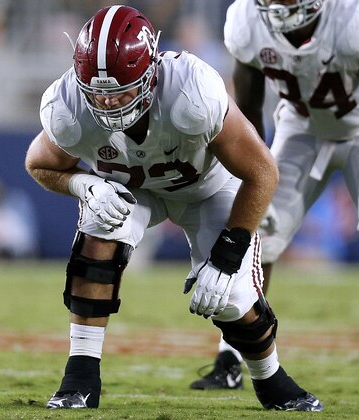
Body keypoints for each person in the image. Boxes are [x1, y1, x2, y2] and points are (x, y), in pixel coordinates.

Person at [25, 5, 322, 412]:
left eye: (123, 90)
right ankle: (80, 378)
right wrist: (84, 183)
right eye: (98, 92)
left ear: (151, 73)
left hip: (207, 189)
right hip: (133, 190)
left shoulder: (191, 90)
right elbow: (39, 164)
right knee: (98, 229)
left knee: (231, 298)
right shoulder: (68, 106)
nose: (109, 103)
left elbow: (263, 171)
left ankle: (271, 379)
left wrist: (228, 253)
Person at [190, 0, 359, 398]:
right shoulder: (246, 19)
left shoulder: (357, 18)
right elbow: (249, 107)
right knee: (258, 233)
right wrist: (248, 171)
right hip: (302, 128)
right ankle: (230, 359)